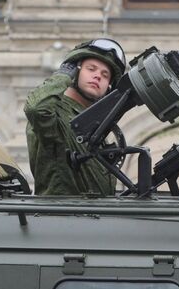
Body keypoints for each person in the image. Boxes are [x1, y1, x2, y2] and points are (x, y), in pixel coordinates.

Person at [23, 38, 127, 196]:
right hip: (62, 215)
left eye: (105, 75)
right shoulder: (55, 112)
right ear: (75, 71)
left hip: (94, 216)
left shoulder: (95, 123)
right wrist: (62, 76)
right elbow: (36, 108)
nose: (98, 76)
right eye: (91, 69)